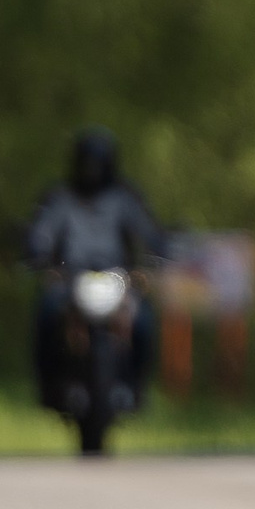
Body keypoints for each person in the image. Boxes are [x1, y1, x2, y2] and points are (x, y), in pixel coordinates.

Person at [25, 127, 165, 415]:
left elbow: (149, 233)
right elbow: (41, 233)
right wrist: (36, 252)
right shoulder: (60, 198)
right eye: (87, 163)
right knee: (48, 312)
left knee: (144, 321)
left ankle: (137, 386)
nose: (92, 170)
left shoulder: (125, 198)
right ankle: (49, 385)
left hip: (119, 281)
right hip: (70, 280)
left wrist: (157, 253)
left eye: (97, 163)